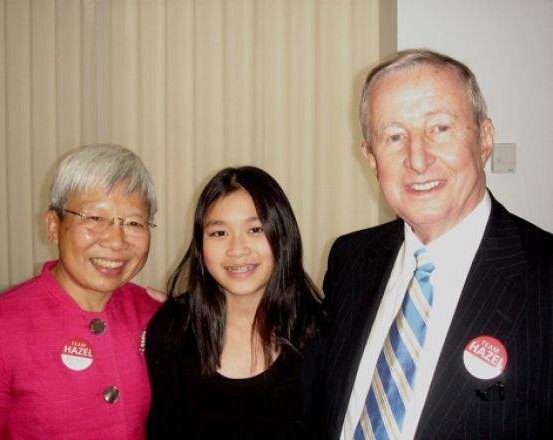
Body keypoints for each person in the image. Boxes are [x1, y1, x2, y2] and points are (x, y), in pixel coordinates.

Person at [311, 49, 553, 439]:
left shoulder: (545, 279)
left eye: (440, 128)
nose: (417, 159)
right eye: (393, 136)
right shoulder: (351, 258)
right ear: (371, 158)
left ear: (485, 138)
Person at [0, 144, 161, 439]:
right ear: (54, 226)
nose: (115, 240)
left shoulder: (155, 314)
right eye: (95, 219)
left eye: (134, 223)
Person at [145, 166, 326, 439]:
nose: (237, 250)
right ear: (200, 245)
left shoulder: (319, 333)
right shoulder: (174, 329)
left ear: (283, 236)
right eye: (219, 233)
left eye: (255, 229)